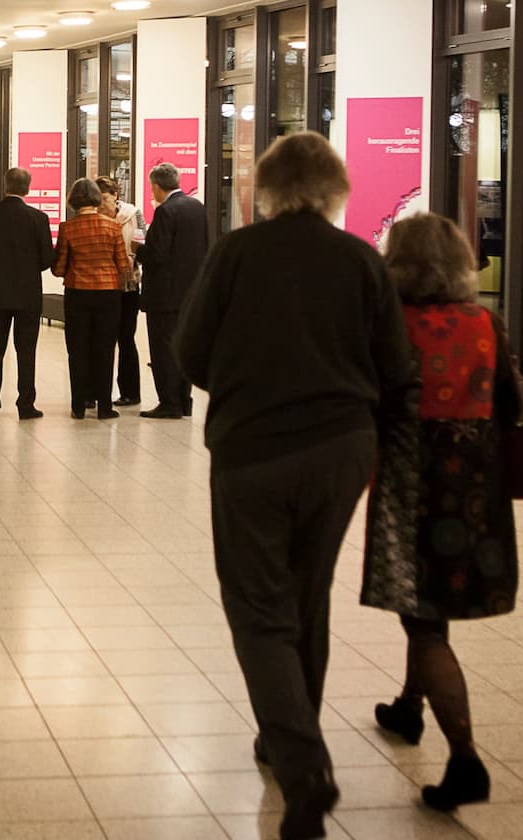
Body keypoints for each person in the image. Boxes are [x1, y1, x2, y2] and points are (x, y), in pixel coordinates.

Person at [174, 133, 419, 840]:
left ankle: (303, 760)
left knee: (257, 607)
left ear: (265, 191)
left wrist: (248, 384)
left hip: (251, 450)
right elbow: (396, 369)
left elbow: (190, 353)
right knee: (307, 598)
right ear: (336, 190)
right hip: (341, 451)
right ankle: (287, 736)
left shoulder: (237, 253)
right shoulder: (361, 261)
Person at [362, 212, 522, 813]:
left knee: (422, 617)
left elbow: (369, 402)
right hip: (478, 487)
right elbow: (509, 411)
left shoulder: (392, 328)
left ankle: (465, 758)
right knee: (431, 607)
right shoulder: (487, 324)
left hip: (412, 483)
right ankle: (408, 706)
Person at [0, 168, 53, 420]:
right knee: (26, 352)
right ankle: (26, 404)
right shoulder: (38, 218)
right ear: (27, 188)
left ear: (4, 184)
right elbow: (47, 258)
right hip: (28, 294)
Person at [54, 178, 132, 420]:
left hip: (77, 293)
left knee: (77, 349)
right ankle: (105, 406)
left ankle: (79, 405)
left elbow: (58, 268)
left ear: (73, 200)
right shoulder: (113, 227)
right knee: (105, 349)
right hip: (108, 295)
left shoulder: (68, 228)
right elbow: (122, 264)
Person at [136, 162, 208, 419]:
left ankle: (169, 402)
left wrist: (137, 249)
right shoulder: (197, 207)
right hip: (190, 293)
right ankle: (184, 400)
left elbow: (157, 254)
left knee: (163, 350)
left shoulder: (166, 211)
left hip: (164, 295)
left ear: (156, 186)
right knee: (182, 347)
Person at [97, 176, 143, 407]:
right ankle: (99, 391)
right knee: (103, 340)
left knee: (126, 338)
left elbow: (141, 242)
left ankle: (130, 392)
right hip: (103, 285)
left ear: (115, 196)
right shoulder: (94, 218)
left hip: (128, 284)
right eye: (98, 199)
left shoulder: (133, 215)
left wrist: (131, 259)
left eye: (105, 198)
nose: (102, 204)